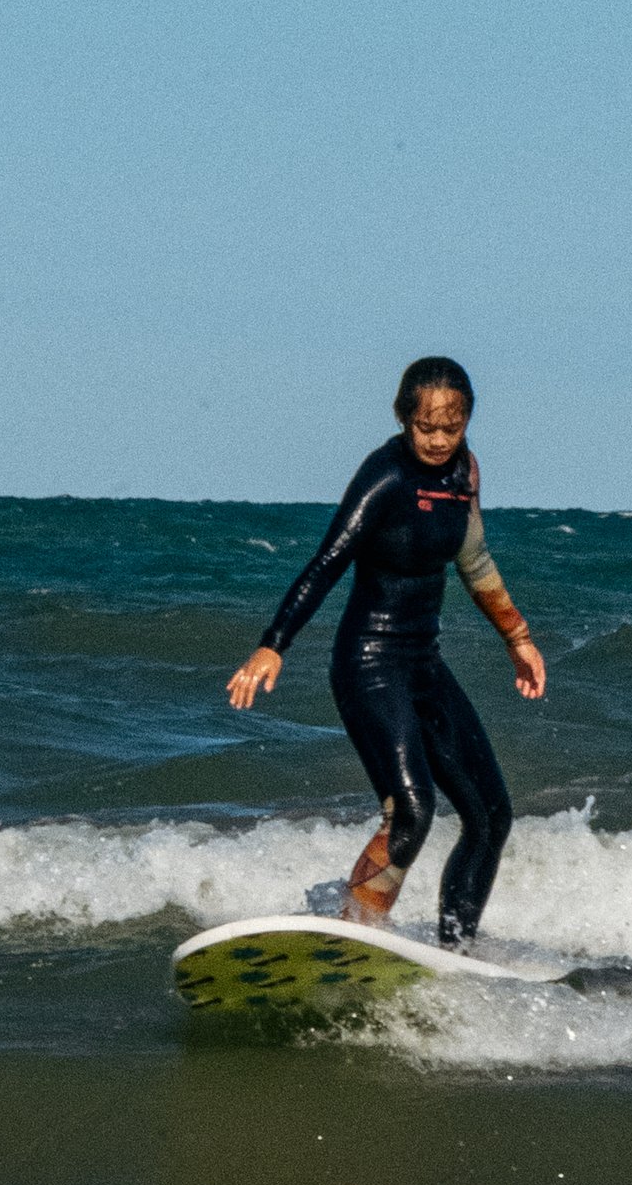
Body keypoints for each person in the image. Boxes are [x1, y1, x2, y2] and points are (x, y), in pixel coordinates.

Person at [227, 357, 546, 945]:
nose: (439, 440)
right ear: (403, 418)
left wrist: (518, 638)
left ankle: (457, 950)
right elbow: (327, 561)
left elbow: (474, 560)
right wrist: (273, 645)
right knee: (412, 812)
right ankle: (354, 935)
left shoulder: (464, 474)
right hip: (369, 661)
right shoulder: (385, 478)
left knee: (490, 816)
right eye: (427, 428)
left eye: (452, 428)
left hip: (423, 663)